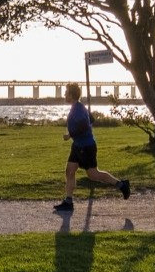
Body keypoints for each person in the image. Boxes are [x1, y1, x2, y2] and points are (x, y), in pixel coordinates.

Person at [53, 83, 131, 212]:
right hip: (78, 146)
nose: (64, 94)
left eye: (66, 92)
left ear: (71, 95)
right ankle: (68, 202)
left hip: (87, 147)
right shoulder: (78, 107)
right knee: (69, 171)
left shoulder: (78, 109)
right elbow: (92, 119)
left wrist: (69, 135)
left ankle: (122, 185)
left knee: (93, 175)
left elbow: (84, 125)